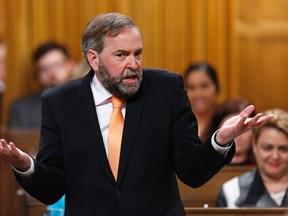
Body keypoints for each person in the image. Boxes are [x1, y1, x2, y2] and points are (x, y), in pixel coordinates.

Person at [0, 13, 273, 216]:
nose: (133, 64)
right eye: (121, 55)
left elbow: (191, 171)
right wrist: (26, 165)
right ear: (93, 59)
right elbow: (52, 188)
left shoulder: (166, 90)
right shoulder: (60, 102)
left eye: (138, 54)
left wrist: (220, 140)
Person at [216, 108, 288, 207]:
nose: (275, 156)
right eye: (267, 148)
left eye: (284, 149)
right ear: (254, 145)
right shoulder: (232, 190)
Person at [8, 41, 75, 128]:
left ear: (71, 65)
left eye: (57, 65)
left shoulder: (89, 99)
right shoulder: (21, 109)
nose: (51, 72)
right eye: (44, 68)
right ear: (37, 75)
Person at [212, 97, 256, 165]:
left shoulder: (264, 166)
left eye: (244, 128)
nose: (238, 135)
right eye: (231, 128)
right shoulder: (206, 165)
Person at [184, 62, 220, 141]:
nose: (198, 94)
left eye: (204, 86)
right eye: (191, 87)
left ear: (217, 87)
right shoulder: (178, 123)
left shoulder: (225, 120)